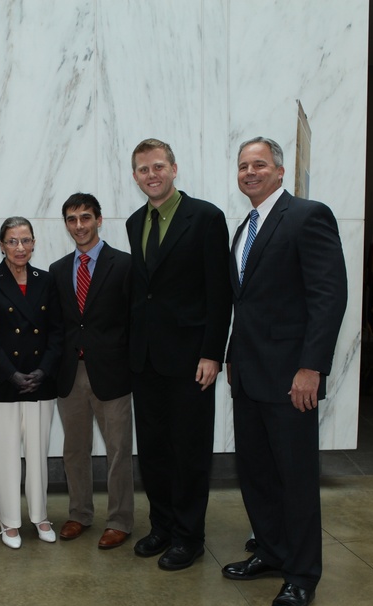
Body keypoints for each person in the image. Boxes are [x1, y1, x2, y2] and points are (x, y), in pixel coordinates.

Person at [221, 137, 347, 606]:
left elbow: (328, 295)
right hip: (249, 376)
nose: (249, 172)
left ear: (279, 171)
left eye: (259, 165)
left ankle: (301, 576)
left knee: (295, 480)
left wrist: (311, 366)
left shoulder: (307, 215)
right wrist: (233, 356)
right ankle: (271, 552)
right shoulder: (244, 228)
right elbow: (247, 305)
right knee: (257, 473)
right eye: (242, 166)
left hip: (292, 378)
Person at [125, 138, 232, 571]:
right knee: (152, 449)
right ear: (135, 177)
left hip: (191, 359)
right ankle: (162, 527)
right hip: (146, 359)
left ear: (174, 168)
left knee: (188, 449)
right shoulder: (136, 222)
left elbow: (218, 292)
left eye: (157, 167)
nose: (151, 175)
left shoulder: (205, 217)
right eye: (142, 169)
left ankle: (190, 537)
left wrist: (212, 353)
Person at [48, 193, 135, 549]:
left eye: (86, 217)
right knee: (74, 450)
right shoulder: (57, 269)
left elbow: (134, 321)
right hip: (70, 373)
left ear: (99, 220)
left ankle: (119, 520)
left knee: (118, 450)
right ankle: (79, 513)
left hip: (112, 372)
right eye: (72, 219)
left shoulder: (125, 265)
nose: (79, 225)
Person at [0, 217, 64, 549]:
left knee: (38, 454)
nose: (20, 248)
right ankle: (9, 521)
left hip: (39, 381)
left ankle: (40, 516)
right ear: (1, 245)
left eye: (26, 240)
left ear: (34, 242)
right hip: (3, 381)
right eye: (12, 241)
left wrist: (44, 370)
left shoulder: (46, 279)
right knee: (6, 454)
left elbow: (57, 331)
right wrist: (10, 373)